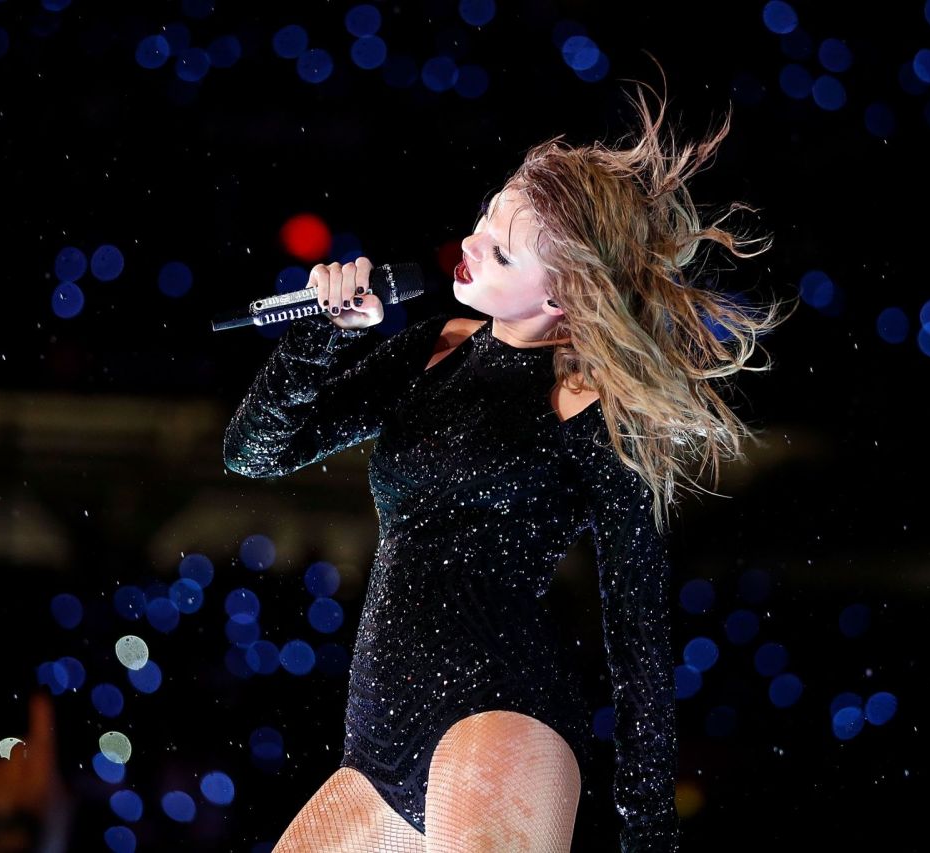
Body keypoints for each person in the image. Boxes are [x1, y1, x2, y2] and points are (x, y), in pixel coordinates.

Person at [225, 78, 795, 853]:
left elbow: (637, 633)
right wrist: (323, 333)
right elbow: (253, 451)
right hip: (379, 747)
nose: (473, 241)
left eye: (501, 249)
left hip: (498, 714)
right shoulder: (437, 348)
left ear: (563, 294)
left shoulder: (586, 406)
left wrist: (649, 830)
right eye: (488, 214)